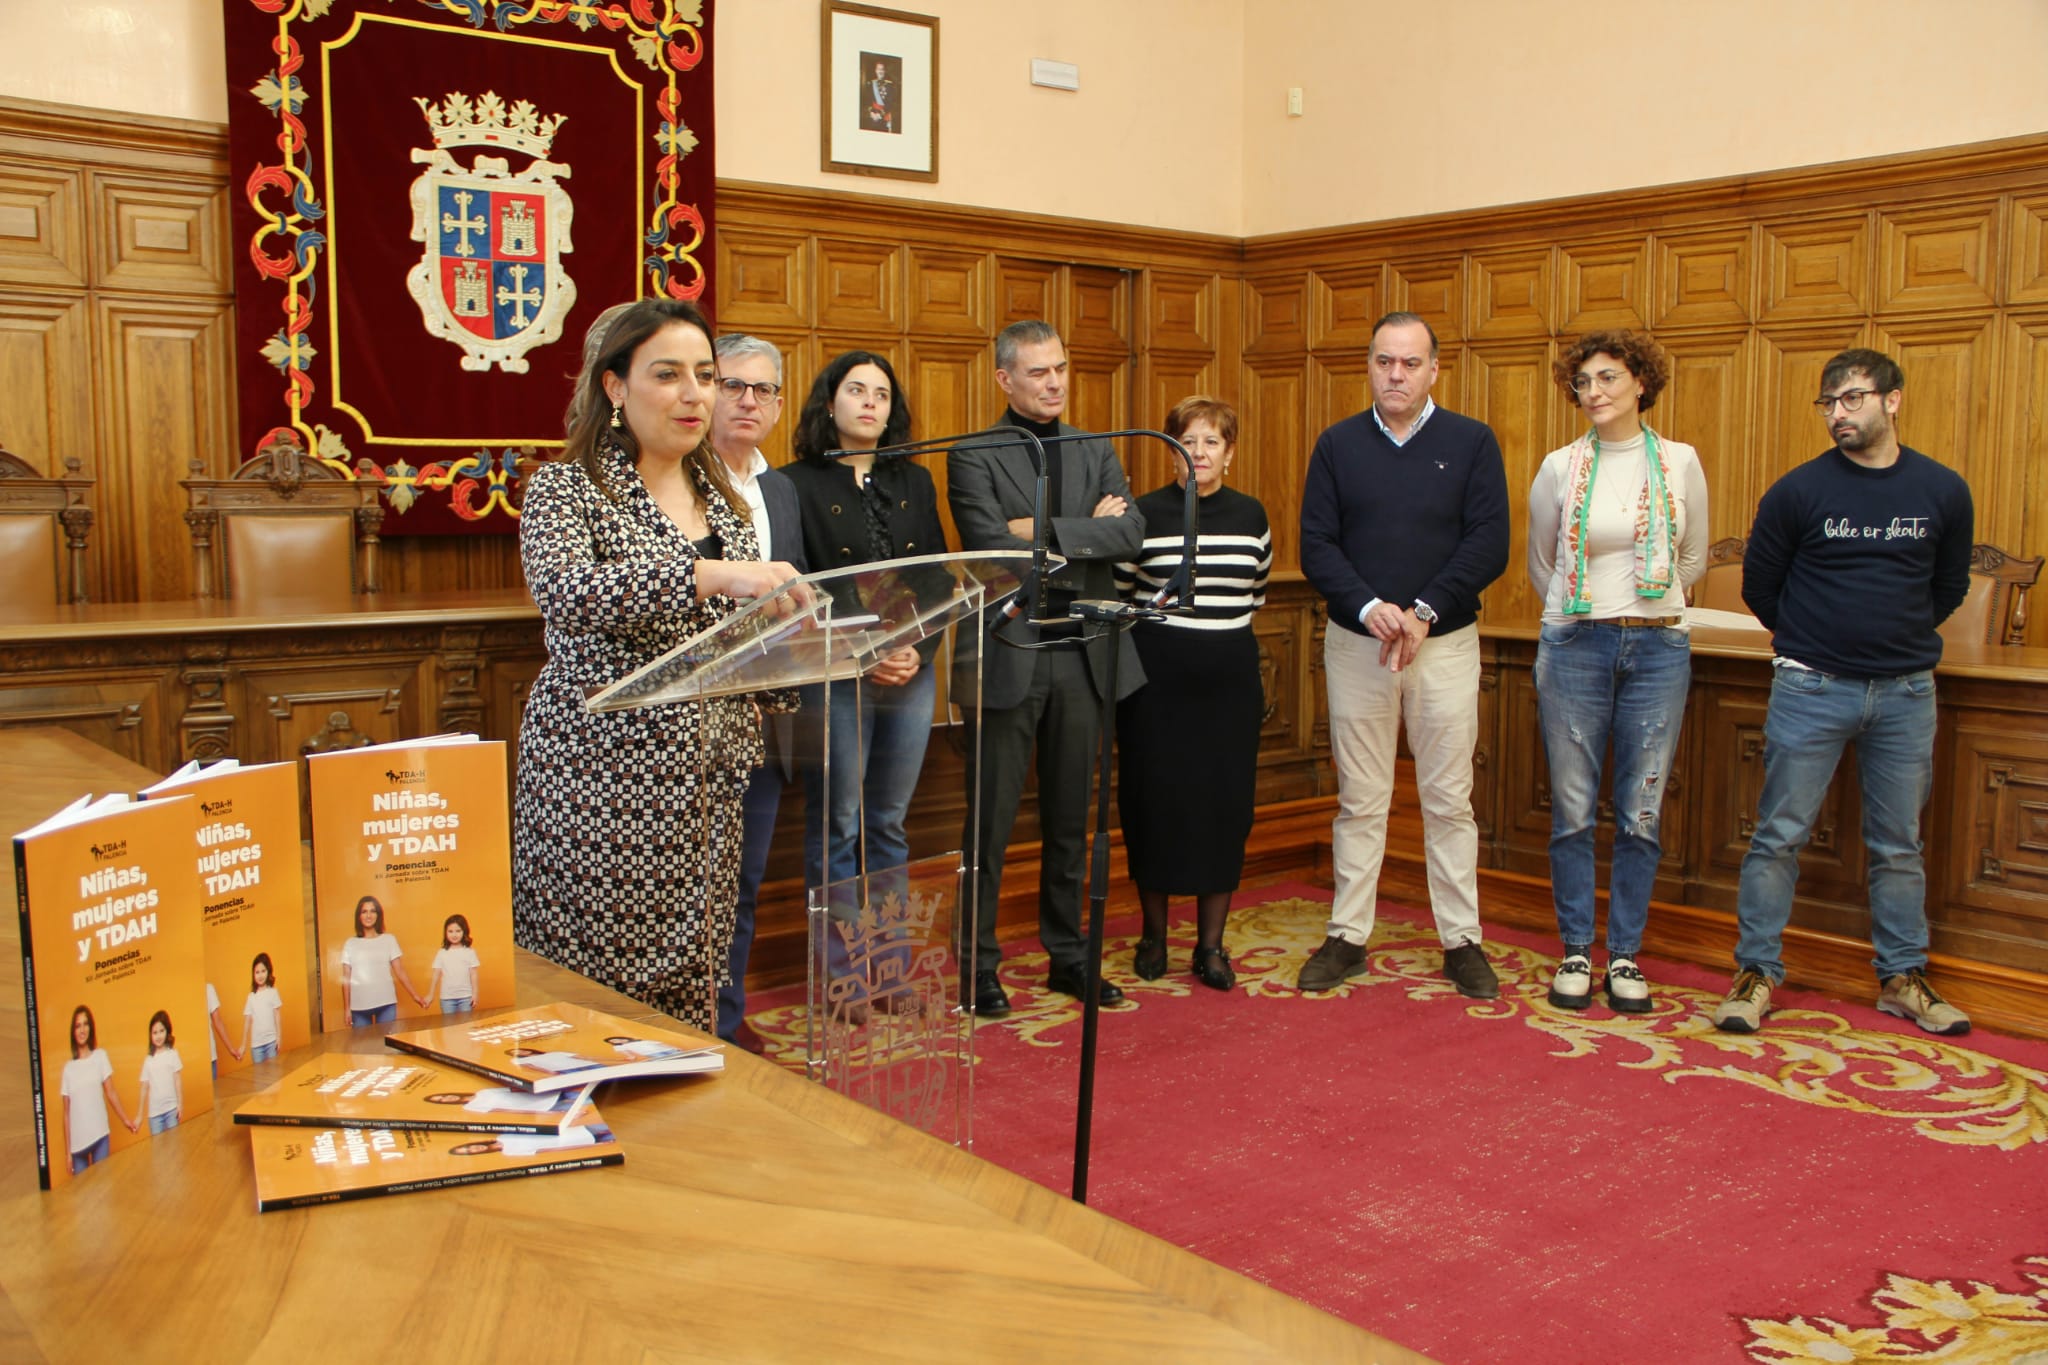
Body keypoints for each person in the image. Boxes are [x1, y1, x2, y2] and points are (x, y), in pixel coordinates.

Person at [512, 298, 805, 1034]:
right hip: (602, 780)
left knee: (698, 967)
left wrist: (792, 634)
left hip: (708, 777)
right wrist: (713, 577)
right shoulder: (566, 489)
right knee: (596, 984)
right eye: (668, 374)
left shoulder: (726, 504)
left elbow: (727, 638)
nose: (696, 394)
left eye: (705, 375)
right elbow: (569, 593)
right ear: (614, 387)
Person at [1713, 348, 1975, 1036]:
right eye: (1829, 403)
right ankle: (1755, 971)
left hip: (1906, 692)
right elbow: (1760, 587)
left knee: (1898, 844)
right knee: (1777, 837)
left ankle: (1901, 976)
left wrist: (1889, 639)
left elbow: (1946, 587)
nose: (1838, 414)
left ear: (1893, 398)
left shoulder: (1943, 490)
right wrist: (1816, 640)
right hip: (1812, 686)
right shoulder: (1799, 492)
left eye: (1853, 398)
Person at [1298, 311, 1510, 999]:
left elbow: (1488, 543)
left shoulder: (1471, 442)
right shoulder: (1337, 445)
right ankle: (1347, 936)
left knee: (1449, 797)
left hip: (1442, 644)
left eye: (1410, 363)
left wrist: (1423, 609)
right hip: (1358, 643)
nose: (1396, 374)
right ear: (1368, 364)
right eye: (1385, 361)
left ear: (1434, 370)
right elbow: (1317, 545)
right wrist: (1369, 606)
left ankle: (1461, 939)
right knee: (1360, 797)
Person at [947, 319, 1146, 1014]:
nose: (1055, 381)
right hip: (1010, 648)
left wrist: (1041, 528)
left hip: (1085, 653)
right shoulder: (972, 454)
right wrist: (1081, 525)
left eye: (1060, 367)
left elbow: (1130, 533)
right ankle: (977, 967)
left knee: (1073, 822)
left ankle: (1069, 956)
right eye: (1038, 372)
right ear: (1005, 379)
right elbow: (989, 544)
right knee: (991, 823)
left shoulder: (1096, 446)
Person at [1527, 331, 1709, 1012]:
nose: (1594, 391)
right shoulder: (1559, 466)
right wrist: (1587, 609)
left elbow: (1692, 560)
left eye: (1608, 377)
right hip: (1577, 643)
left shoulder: (1680, 461)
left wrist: (1645, 604)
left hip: (1659, 646)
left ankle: (1625, 955)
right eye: (1583, 381)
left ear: (1641, 382)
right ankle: (1577, 947)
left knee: (1641, 810)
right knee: (1573, 810)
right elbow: (1541, 561)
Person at [785, 350, 950, 1001]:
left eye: (882, 393)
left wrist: (915, 646)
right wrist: (865, 651)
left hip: (911, 668)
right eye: (857, 390)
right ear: (830, 404)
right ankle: (841, 973)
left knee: (887, 820)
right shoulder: (797, 482)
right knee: (840, 820)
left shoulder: (915, 481)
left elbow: (938, 576)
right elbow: (802, 588)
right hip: (836, 670)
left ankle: (888, 966)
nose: (870, 403)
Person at [1114, 396, 1271, 991]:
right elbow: (1127, 594)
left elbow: (1254, 592)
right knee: (1153, 803)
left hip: (1228, 688)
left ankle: (1210, 946)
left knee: (1224, 809)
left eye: (1211, 442)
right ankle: (1154, 935)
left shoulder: (1252, 513)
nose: (1198, 453)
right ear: (1171, 451)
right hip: (1155, 686)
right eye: (1187, 441)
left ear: (1229, 453)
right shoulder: (1142, 513)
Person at [709, 332, 805, 1052]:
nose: (748, 400)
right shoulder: (677, 482)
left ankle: (727, 1016)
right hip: (696, 718)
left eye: (763, 389)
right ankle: (687, 1022)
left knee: (744, 880)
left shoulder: (781, 488)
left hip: (767, 714)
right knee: (695, 887)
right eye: (733, 384)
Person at [61, 1004, 137, 1173]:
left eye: (85, 1024)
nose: (82, 1030)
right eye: (78, 1025)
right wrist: (68, 1154)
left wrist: (125, 1120)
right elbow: (66, 1113)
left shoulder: (100, 1056)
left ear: (91, 1028)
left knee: (104, 1191)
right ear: (73, 1031)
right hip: (78, 1148)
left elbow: (111, 1092)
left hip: (100, 1136)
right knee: (83, 1196)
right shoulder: (68, 1068)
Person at [340, 895, 423, 1027]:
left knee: (386, 1046)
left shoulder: (389, 940)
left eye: (373, 911)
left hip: (386, 1003)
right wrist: (346, 1009)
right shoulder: (350, 943)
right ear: (359, 916)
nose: (368, 915)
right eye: (364, 911)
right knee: (362, 1047)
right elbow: (346, 979)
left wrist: (415, 995)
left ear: (378, 915)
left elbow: (400, 971)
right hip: (359, 1007)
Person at [137, 1010, 183, 1136]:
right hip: (155, 1115)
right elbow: (144, 1088)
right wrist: (140, 1115)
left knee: (175, 1149)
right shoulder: (148, 1061)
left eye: (161, 1031)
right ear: (150, 1035)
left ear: (167, 1031)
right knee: (159, 1152)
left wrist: (180, 1104)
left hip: (171, 1111)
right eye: (155, 1032)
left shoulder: (172, 1054)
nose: (158, 1036)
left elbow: (177, 1080)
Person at [426, 914, 482, 1014]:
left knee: (466, 1026)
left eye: (458, 931)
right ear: (445, 933)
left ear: (464, 931)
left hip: (466, 997)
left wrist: (475, 994)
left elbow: (473, 974)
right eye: (450, 931)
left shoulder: (469, 952)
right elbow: (436, 974)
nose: (454, 935)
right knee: (449, 1027)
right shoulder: (442, 952)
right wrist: (431, 994)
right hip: (447, 999)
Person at [239, 951, 285, 1061]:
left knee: (274, 1075)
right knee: (259, 1076)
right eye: (257, 972)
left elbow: (277, 1015)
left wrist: (278, 1037)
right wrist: (243, 1045)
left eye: (263, 971)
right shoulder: (251, 997)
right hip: (256, 1046)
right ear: (253, 974)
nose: (260, 975)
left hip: (271, 1042)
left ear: (268, 971)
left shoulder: (273, 992)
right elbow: (247, 1021)